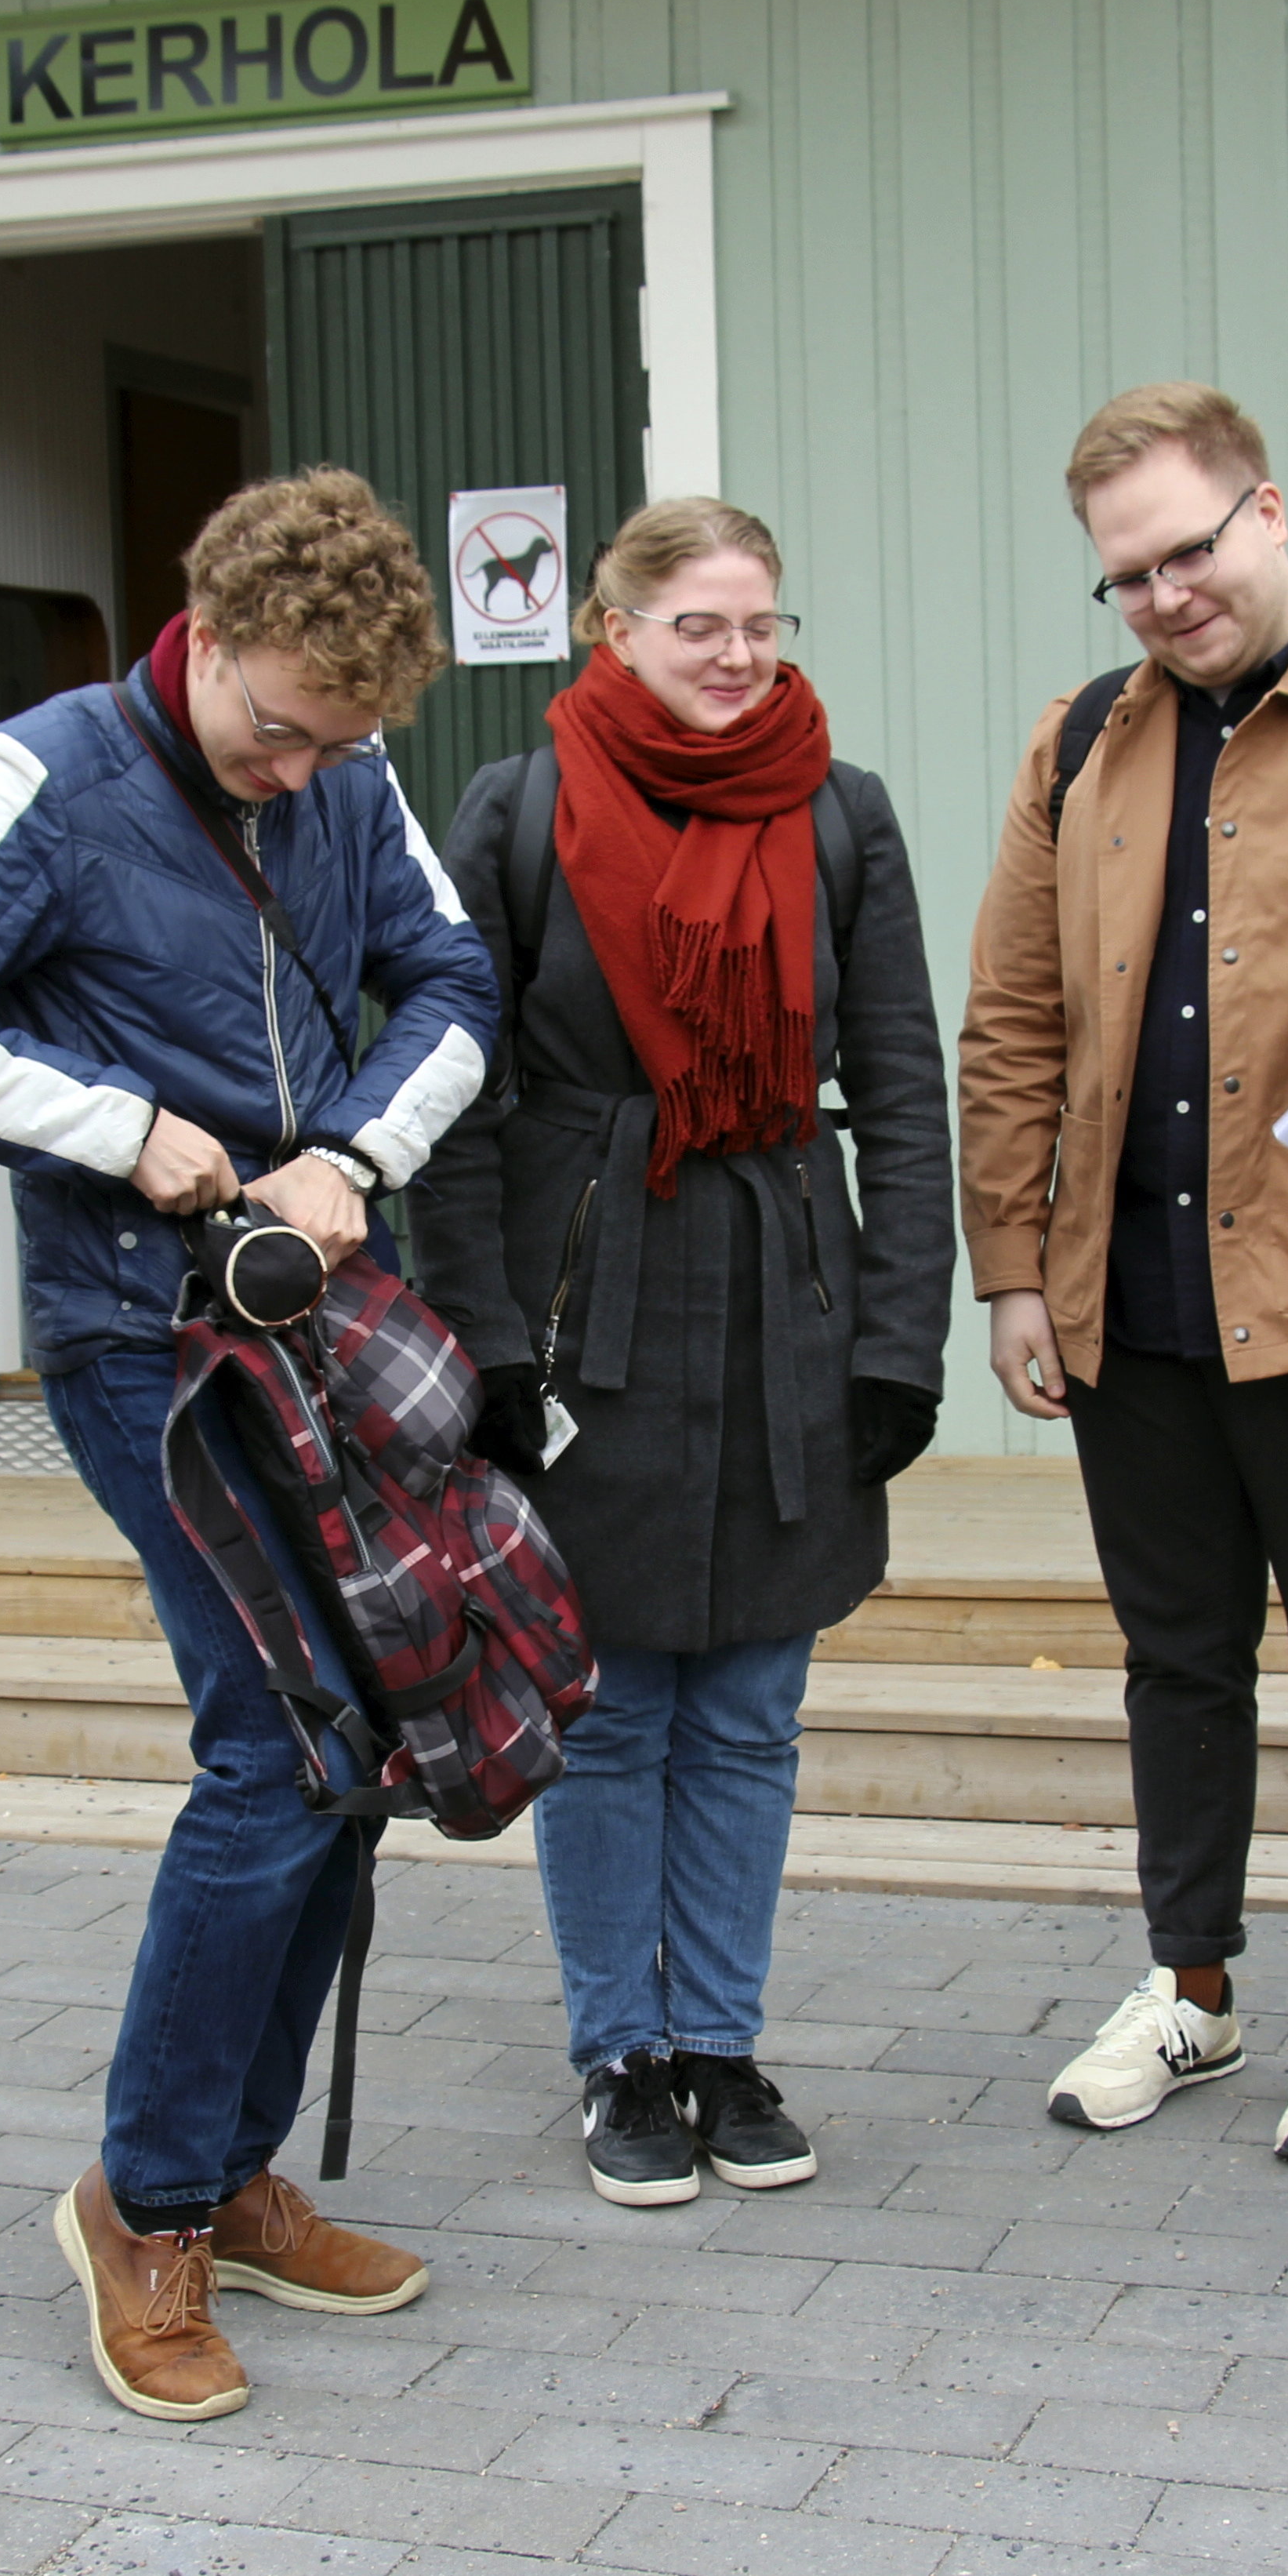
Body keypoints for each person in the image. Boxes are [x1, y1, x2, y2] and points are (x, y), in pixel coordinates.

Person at [0, 468, 499, 2420]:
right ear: (205, 631)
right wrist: (120, 1130)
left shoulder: (347, 781)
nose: (301, 773)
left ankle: (233, 2165)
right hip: (142, 1341)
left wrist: (353, 1153)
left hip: (319, 1320)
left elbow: (454, 985)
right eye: (278, 727)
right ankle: (146, 2206)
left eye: (341, 743)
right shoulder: (41, 776)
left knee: (352, 1750)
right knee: (274, 1746)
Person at [958, 382, 1288, 2166]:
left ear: (1269, 515)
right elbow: (1014, 1021)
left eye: (1193, 548)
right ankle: (1190, 1988)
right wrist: (1015, 1268)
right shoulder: (1080, 743)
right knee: (1177, 1660)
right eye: (1129, 573)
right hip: (1131, 1300)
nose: (1169, 593)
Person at [416, 499, 956, 2209]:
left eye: (762, 626)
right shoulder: (517, 813)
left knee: (751, 1704)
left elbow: (904, 1091)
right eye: (699, 625)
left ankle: (720, 2041)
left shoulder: (841, 818)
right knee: (611, 1701)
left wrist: (899, 1333)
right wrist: (481, 1341)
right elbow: (453, 1100)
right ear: (615, 628)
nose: (737, 656)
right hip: (594, 1314)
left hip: (785, 1296)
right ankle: (620, 2055)